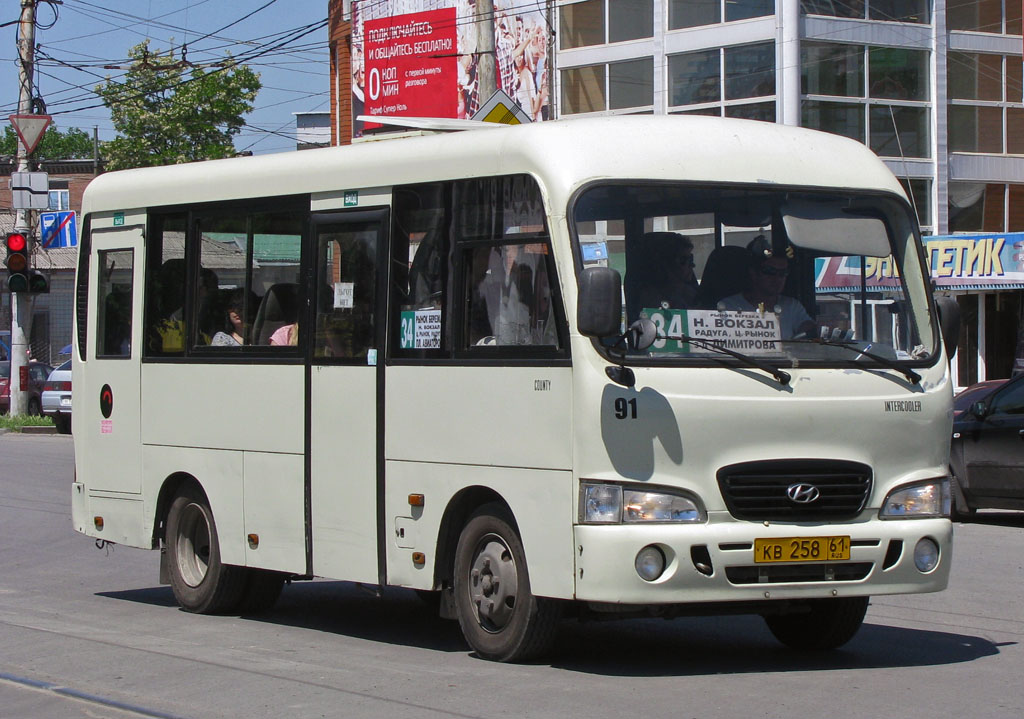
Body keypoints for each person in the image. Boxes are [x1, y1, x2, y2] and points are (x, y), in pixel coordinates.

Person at [718, 237, 816, 339]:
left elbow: (809, 330)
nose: (777, 278)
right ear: (753, 273)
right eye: (770, 271)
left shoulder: (791, 307)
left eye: (783, 273)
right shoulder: (728, 308)